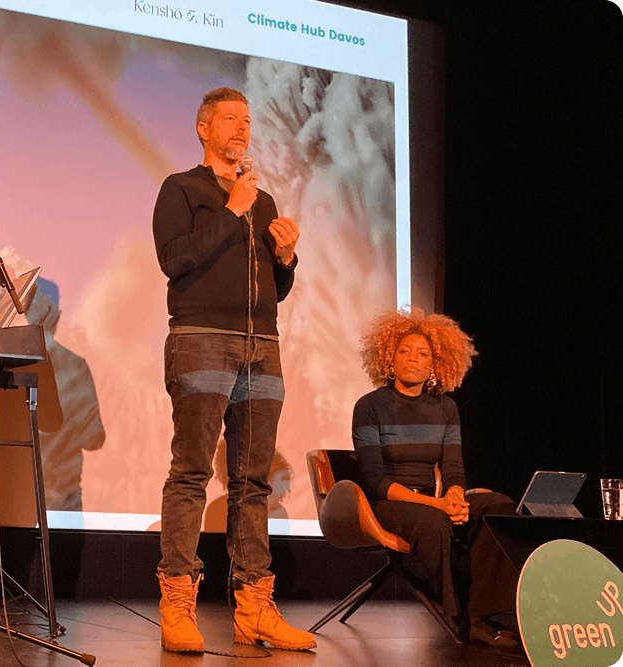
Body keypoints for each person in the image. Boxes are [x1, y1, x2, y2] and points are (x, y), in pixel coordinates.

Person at [151, 87, 315, 653]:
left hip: (261, 344)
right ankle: (177, 604)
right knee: (193, 471)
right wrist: (231, 210)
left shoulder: (263, 201)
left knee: (253, 480)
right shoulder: (182, 189)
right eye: (229, 119)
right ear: (203, 128)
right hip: (201, 339)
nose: (241, 129)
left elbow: (276, 288)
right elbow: (177, 261)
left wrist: (287, 259)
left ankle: (255, 609)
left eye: (246, 120)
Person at [352, 307, 520, 647]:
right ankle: (456, 615)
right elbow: (375, 482)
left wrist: (456, 496)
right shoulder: (369, 406)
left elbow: (454, 469)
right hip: (389, 504)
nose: (413, 359)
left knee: (499, 505)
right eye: (404, 351)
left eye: (423, 354)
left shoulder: (445, 408)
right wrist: (438, 504)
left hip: (434, 501)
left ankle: (483, 612)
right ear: (388, 358)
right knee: (433, 522)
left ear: (435, 364)